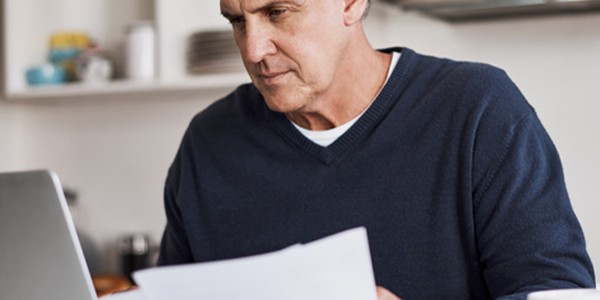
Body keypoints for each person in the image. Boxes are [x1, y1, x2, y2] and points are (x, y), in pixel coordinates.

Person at [157, 0, 596, 299]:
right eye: (237, 20)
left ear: (351, 2)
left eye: (277, 11)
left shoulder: (478, 109)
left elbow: (559, 294)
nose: (253, 49)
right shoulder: (208, 143)